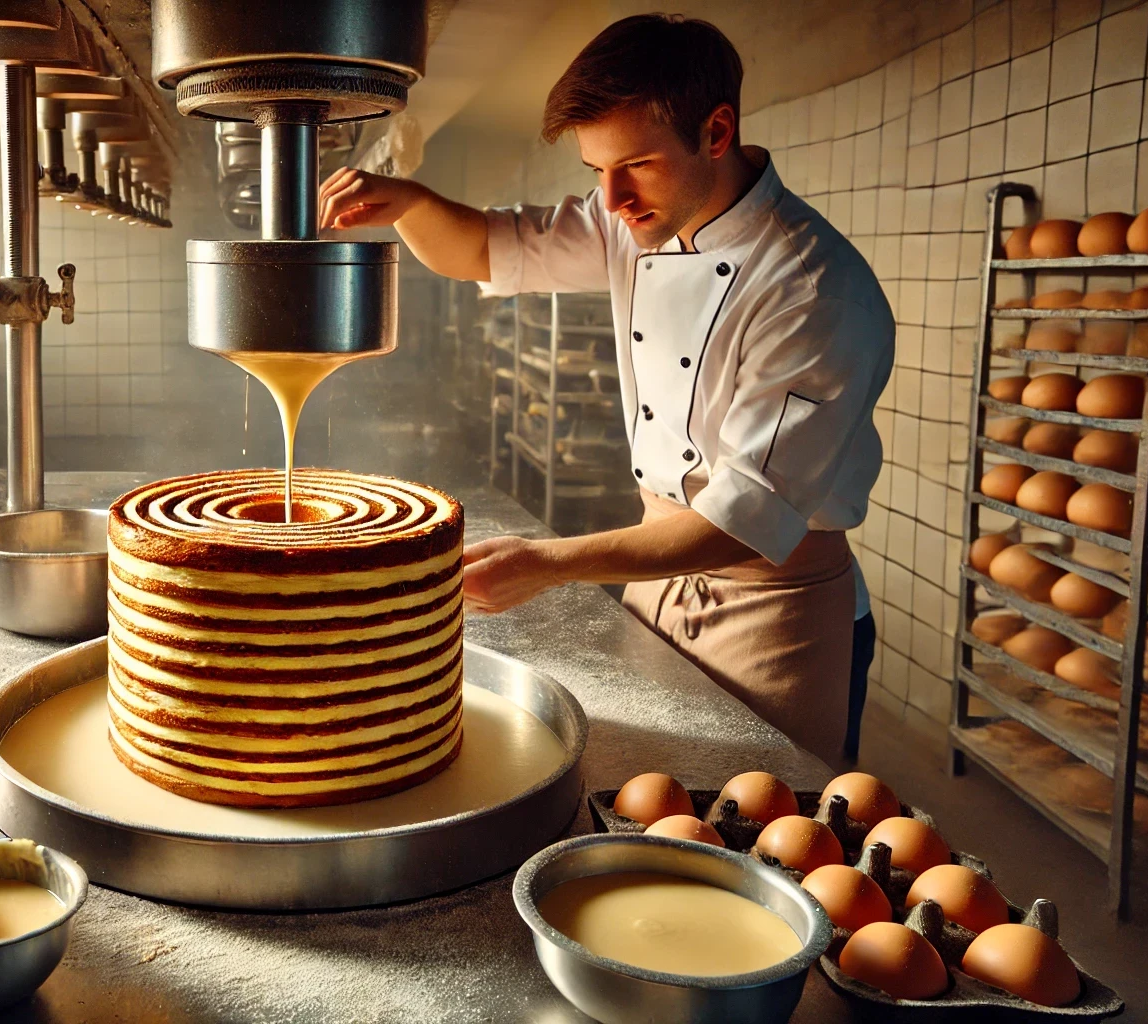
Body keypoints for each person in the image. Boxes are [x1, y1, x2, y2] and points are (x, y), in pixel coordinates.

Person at [318, 14, 893, 765]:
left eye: (638, 165)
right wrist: (408, 204)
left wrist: (551, 563)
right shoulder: (633, 221)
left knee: (758, 823)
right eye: (597, 173)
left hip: (773, 609)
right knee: (643, 798)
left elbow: (744, 519)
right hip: (656, 580)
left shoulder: (813, 290)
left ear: (717, 132)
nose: (614, 197)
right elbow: (486, 249)